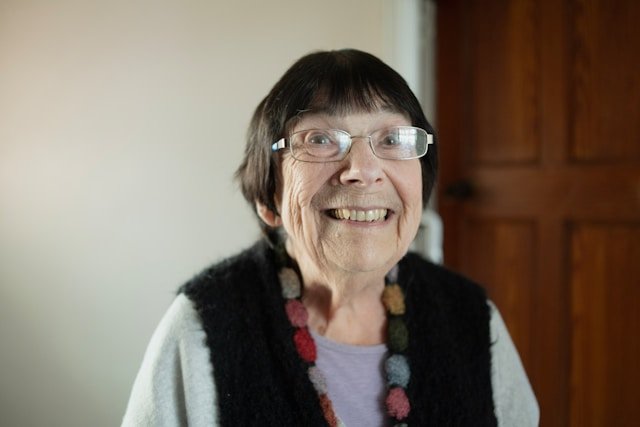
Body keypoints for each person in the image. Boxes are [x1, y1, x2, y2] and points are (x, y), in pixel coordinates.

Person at [122, 49, 538, 426]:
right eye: (320, 139)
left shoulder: (471, 318)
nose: (363, 170)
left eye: (392, 139)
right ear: (269, 197)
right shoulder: (202, 328)